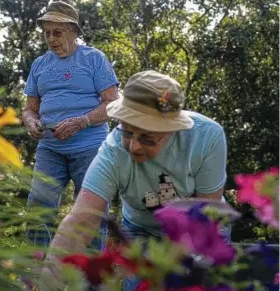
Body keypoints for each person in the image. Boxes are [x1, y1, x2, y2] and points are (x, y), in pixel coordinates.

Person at [42, 70, 231, 290]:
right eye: (128, 132)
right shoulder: (112, 152)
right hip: (142, 230)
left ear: (172, 130)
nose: (134, 147)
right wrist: (47, 283)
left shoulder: (206, 137)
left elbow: (205, 214)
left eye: (148, 139)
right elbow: (82, 221)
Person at [22, 1, 120, 251]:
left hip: (89, 147)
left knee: (91, 213)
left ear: (74, 31)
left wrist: (81, 121)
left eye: (57, 32)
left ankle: (89, 280)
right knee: (37, 208)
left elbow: (112, 103)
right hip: (50, 149)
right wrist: (31, 122)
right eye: (47, 33)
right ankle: (35, 276)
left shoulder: (94, 59)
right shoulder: (39, 65)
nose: (51, 39)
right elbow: (29, 108)